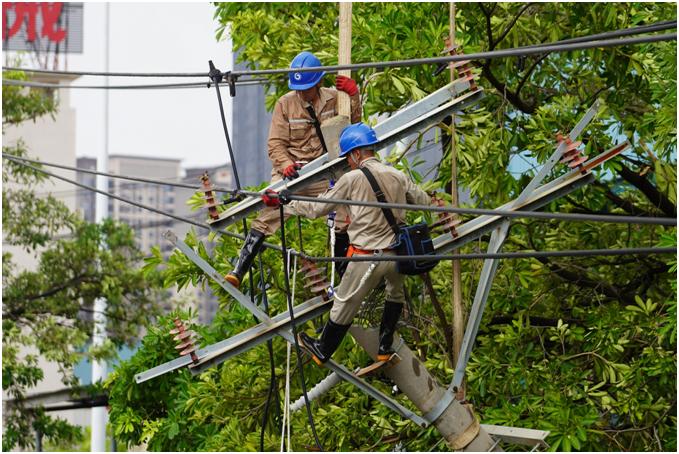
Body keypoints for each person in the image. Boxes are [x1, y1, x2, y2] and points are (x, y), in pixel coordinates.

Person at [261, 122, 432, 366]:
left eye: (348, 158)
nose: (349, 163)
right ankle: (385, 346)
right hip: (397, 255)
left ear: (356, 153)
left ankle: (323, 349)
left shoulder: (351, 179)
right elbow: (424, 202)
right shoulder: (397, 175)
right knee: (395, 295)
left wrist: (286, 203)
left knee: (344, 304)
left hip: (366, 258)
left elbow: (317, 209)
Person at [225, 51, 362, 288]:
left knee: (345, 212)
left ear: (318, 82)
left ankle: (345, 273)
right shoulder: (285, 104)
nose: (302, 93)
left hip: (322, 171)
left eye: (307, 87)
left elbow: (354, 128)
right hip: (292, 172)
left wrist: (353, 95)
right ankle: (239, 269)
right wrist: (286, 164)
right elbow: (275, 144)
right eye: (299, 88)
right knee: (267, 214)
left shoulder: (333, 99)